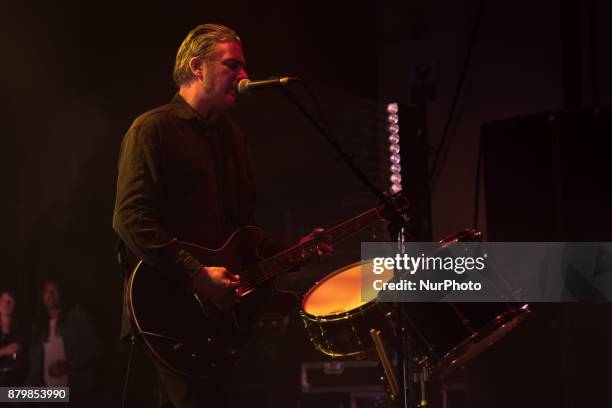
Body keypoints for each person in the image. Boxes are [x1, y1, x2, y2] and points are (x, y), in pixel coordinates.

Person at [113, 23, 327, 407]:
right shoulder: (152, 130)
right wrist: (197, 275)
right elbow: (131, 219)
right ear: (198, 67)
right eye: (233, 65)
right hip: (167, 315)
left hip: (224, 321)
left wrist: (293, 250)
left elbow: (242, 232)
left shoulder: (233, 138)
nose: (244, 76)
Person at [27, 281, 100, 404]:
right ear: (42, 299)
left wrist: (68, 366)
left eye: (54, 290)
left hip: (77, 393)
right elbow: (35, 367)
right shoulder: (38, 328)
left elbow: (96, 350)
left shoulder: (79, 319)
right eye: (46, 291)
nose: (50, 294)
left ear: (61, 294)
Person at [0, 290, 27, 386]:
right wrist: (5, 350)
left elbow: (19, 349)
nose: (6, 304)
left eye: (9, 301)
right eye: (3, 300)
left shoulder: (22, 329)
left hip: (17, 383)